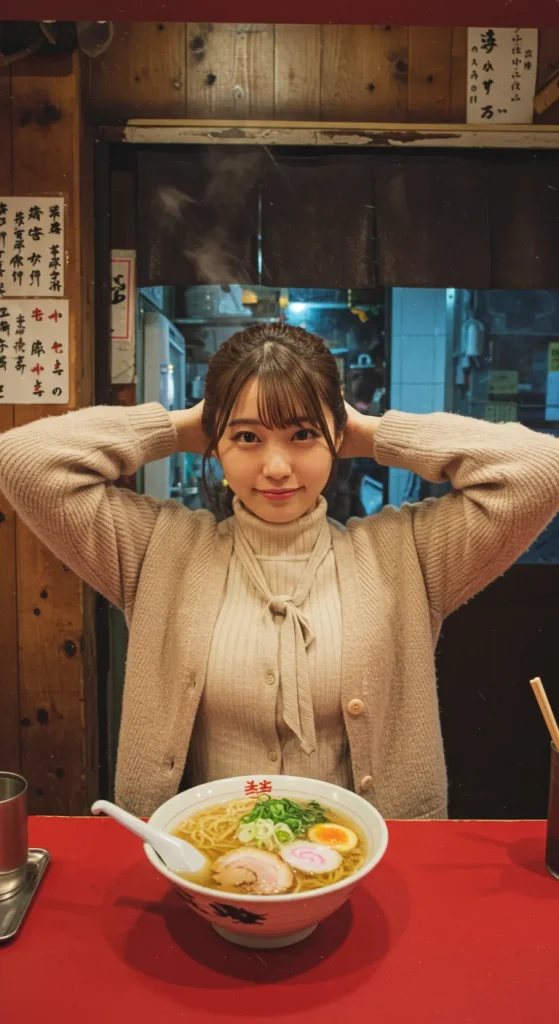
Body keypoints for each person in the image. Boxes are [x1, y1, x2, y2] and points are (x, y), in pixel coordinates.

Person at [1, 323, 559, 820]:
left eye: (302, 436)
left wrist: (370, 433)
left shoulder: (407, 554)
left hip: (366, 872)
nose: (275, 467)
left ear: (335, 441)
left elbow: (539, 472)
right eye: (246, 437)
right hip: (198, 868)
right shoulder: (158, 551)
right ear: (216, 444)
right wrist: (180, 426)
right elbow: (25, 462)